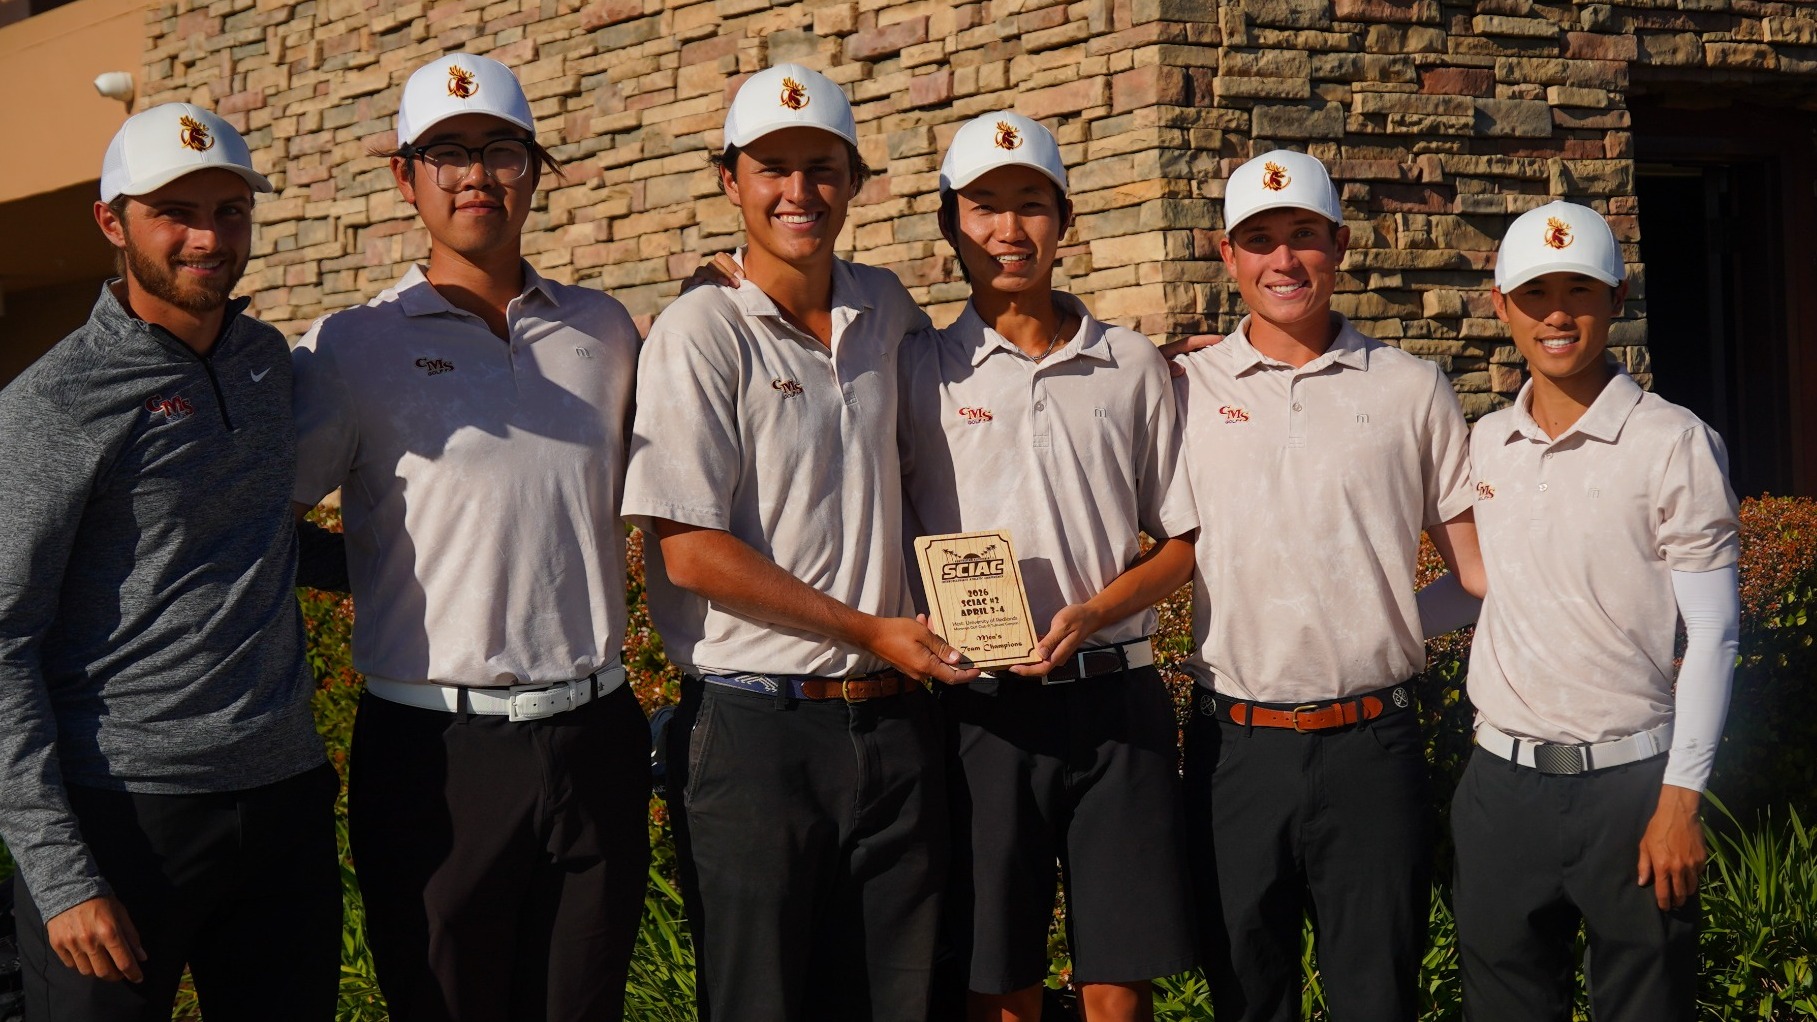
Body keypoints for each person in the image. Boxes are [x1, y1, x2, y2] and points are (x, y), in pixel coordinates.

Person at [288, 54, 649, 1021]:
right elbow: (258, 523)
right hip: (430, 752)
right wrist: (370, 569)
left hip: (596, 736)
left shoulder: (605, 330)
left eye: (500, 151)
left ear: (534, 171)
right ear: (406, 177)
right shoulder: (347, 346)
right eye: (446, 153)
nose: (475, 175)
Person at [622, 62, 976, 1022]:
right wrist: (869, 627)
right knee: (762, 1003)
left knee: (900, 999)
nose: (798, 192)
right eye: (771, 167)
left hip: (895, 723)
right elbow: (689, 550)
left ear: (855, 179)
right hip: (754, 735)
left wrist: (1166, 363)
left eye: (820, 166)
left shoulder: (886, 307)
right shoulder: (701, 330)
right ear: (728, 179)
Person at [0, 102, 338, 1021]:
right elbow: (5, 639)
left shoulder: (265, 361)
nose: (208, 237)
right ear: (112, 223)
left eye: (230, 211)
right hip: (124, 815)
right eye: (174, 213)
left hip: (285, 802)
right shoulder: (53, 403)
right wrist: (62, 874)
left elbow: (244, 536)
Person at [1171, 149, 1485, 1022]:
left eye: (1303, 236)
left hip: (1371, 749)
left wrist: (1384, 627)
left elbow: (1476, 577)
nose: (1283, 261)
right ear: (1224, 254)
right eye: (1259, 240)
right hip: (1235, 748)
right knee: (1244, 995)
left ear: (1340, 245)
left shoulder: (1411, 388)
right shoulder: (1181, 389)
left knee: (1376, 994)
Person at [898, 111, 1197, 1022]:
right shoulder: (918, 368)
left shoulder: (1131, 365)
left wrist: (1094, 613)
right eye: (983, 207)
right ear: (950, 222)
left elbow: (1182, 542)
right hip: (978, 708)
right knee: (998, 974)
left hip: (1117, 698)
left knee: (1118, 980)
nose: (1008, 229)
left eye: (1031, 205)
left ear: (1064, 221)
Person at [1452, 200, 1740, 1021]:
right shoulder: (1483, 445)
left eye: (1579, 290)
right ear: (1500, 306)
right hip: (1499, 790)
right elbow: (1487, 587)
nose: (1556, 314)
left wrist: (1680, 800)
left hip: (1634, 791)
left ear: (1616, 299)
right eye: (1535, 293)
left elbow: (1716, 634)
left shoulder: (1673, 442)